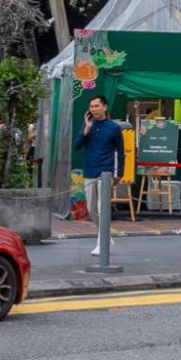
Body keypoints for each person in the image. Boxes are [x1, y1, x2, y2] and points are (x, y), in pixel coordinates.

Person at [74, 96, 127, 255]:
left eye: (97, 106)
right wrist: (86, 129)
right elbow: (77, 145)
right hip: (90, 172)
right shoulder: (87, 125)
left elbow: (121, 152)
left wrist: (119, 174)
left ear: (104, 107)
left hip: (106, 172)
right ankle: (106, 237)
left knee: (102, 208)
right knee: (91, 209)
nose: (93, 109)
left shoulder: (114, 128)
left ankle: (101, 243)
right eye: (91, 106)